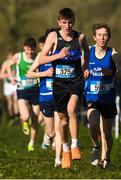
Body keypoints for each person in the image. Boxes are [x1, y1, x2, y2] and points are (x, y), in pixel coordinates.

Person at [38, 8, 89, 168]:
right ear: (59, 22)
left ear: (74, 21)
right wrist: (58, 56)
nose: (68, 25)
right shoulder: (53, 36)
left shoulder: (80, 37)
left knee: (72, 108)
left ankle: (75, 146)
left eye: (71, 22)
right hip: (59, 83)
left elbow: (87, 50)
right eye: (65, 22)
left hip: (75, 79)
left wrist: (85, 65)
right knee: (63, 119)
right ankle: (65, 149)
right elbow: (42, 59)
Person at [85, 23, 121, 169]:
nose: (102, 38)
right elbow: (78, 69)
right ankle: (96, 147)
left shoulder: (113, 54)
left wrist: (113, 73)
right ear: (94, 37)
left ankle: (106, 159)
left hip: (108, 99)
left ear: (108, 37)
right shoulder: (88, 52)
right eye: (99, 35)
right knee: (93, 124)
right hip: (92, 98)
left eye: (105, 35)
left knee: (107, 133)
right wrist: (83, 72)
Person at [27, 31, 62, 167]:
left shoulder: (61, 55)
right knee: (52, 131)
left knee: (60, 128)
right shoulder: (41, 57)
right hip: (45, 97)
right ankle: (47, 137)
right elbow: (29, 74)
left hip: (60, 97)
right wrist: (45, 73)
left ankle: (58, 159)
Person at [7, 37, 40, 151]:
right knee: (26, 116)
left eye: (32, 50)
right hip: (22, 89)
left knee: (35, 119)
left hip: (35, 90)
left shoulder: (37, 57)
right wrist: (11, 78)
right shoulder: (18, 56)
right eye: (27, 50)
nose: (30, 52)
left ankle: (31, 142)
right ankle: (25, 122)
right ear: (24, 48)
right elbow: (8, 65)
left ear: (34, 49)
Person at [0, 50, 19, 125]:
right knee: (10, 102)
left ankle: (17, 117)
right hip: (7, 85)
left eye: (12, 56)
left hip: (15, 83)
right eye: (9, 56)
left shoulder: (17, 62)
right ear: (7, 56)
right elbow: (1, 75)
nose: (11, 57)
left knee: (15, 100)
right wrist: (9, 74)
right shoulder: (5, 63)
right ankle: (12, 117)